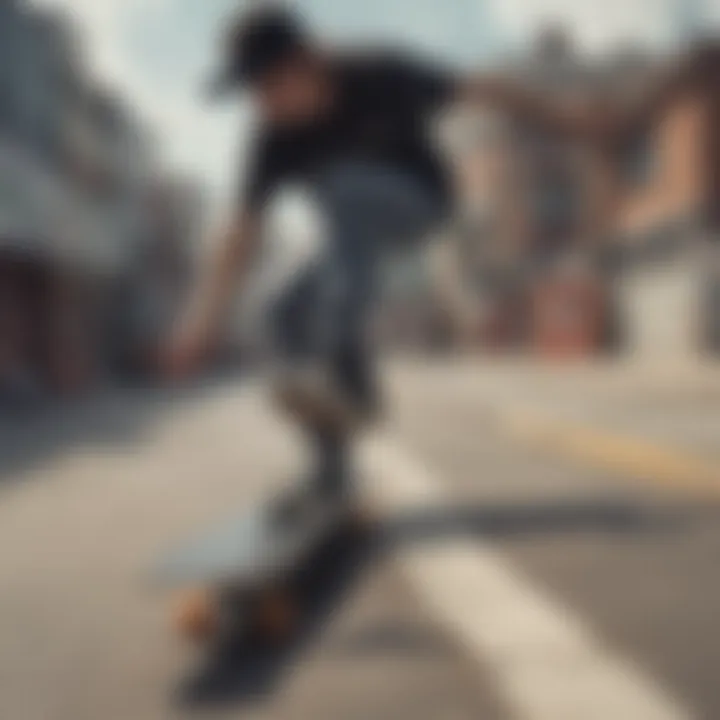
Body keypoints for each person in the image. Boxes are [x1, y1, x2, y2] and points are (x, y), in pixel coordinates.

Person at [162, 4, 602, 510]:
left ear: (306, 62)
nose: (263, 106)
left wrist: (566, 116)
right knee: (281, 312)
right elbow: (238, 234)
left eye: (269, 87)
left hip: (422, 206)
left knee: (345, 190)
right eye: (253, 95)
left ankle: (351, 381)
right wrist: (195, 327)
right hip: (355, 234)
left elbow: (486, 87)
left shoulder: (380, 74)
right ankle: (331, 470)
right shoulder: (271, 138)